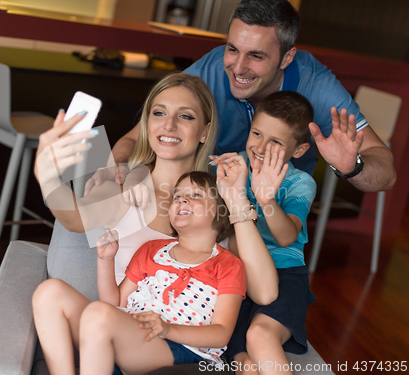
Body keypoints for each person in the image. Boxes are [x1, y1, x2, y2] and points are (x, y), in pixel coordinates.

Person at [90, 0, 395, 195]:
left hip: (273, 210)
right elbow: (136, 138)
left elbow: (386, 173)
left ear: (287, 57)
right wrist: (117, 166)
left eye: (256, 56)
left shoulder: (317, 86)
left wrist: (351, 166)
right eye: (233, 49)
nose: (237, 67)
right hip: (205, 199)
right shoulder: (210, 68)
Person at [33, 166, 274, 374]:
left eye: (195, 195)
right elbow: (114, 302)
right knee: (49, 292)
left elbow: (221, 334)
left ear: (220, 210)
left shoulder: (228, 264)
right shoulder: (151, 250)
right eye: (177, 196)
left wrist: (168, 329)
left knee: (99, 316)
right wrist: (105, 261)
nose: (181, 200)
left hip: (181, 350)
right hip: (129, 338)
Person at [210, 91, 317, 375]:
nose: (261, 147)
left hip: (284, 275)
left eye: (276, 142)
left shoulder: (299, 182)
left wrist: (266, 199)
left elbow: (286, 237)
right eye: (257, 133)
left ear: (298, 150)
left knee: (259, 335)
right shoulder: (236, 166)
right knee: (234, 349)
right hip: (237, 274)